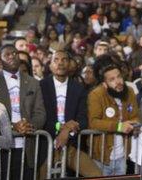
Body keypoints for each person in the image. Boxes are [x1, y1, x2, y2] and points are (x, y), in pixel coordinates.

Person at [38, 49, 100, 178]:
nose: (60, 63)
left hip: (71, 145)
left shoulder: (78, 88)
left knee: (97, 175)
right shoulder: (40, 86)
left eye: (64, 60)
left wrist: (67, 131)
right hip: (45, 147)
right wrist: (60, 128)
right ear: (50, 65)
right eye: (56, 60)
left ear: (70, 64)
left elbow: (83, 119)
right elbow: (40, 117)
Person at [0, 44, 46, 180]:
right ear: (0, 61)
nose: (12, 56)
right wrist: (12, 126)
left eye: (14, 53)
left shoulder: (33, 82)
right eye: (7, 55)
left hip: (27, 146)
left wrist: (28, 126)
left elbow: (40, 113)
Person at [87, 56, 140, 175]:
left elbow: (136, 116)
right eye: (112, 79)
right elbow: (93, 122)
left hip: (123, 155)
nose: (118, 82)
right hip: (101, 157)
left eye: (119, 77)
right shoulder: (96, 94)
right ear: (105, 84)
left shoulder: (129, 92)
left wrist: (135, 125)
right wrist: (118, 126)